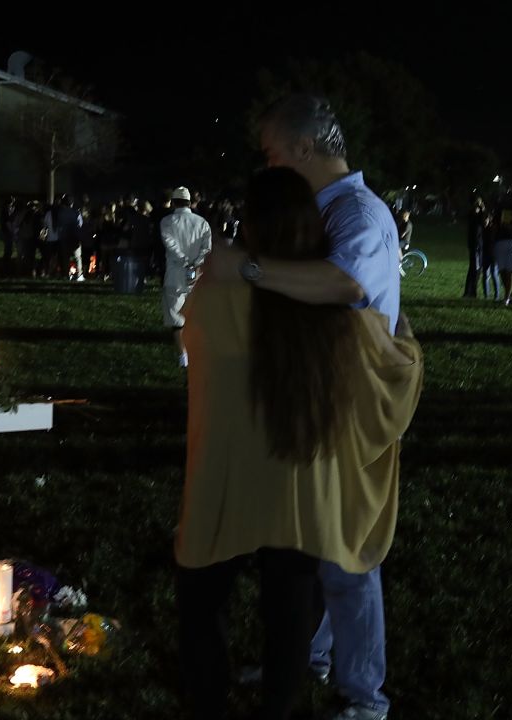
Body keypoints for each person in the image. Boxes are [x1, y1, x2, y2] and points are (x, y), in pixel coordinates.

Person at [176, 166, 422, 720]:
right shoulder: (338, 319)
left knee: (201, 597)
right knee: (289, 606)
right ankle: (279, 707)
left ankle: (209, 702)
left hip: (230, 480)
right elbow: (392, 368)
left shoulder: (216, 298)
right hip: (301, 482)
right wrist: (402, 335)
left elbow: (191, 339)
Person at [161, 187, 213, 368]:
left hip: (175, 273)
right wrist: (195, 262)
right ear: (190, 202)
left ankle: (183, 356)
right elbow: (207, 248)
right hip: (197, 274)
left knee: (176, 317)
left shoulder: (167, 222)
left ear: (173, 203)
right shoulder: (202, 223)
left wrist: (184, 261)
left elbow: (170, 244)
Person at [463, 196, 484, 298]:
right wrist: (483, 210)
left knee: (473, 268)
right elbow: (483, 221)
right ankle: (472, 292)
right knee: (476, 269)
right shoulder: (475, 215)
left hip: (475, 244)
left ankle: (469, 291)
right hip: (476, 245)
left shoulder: (473, 215)